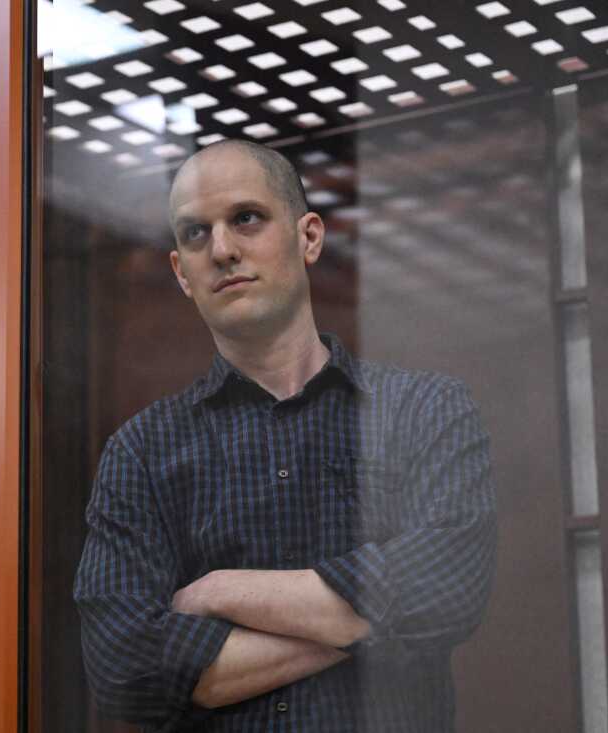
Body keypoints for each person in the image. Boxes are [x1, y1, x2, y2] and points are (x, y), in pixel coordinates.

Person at [73, 139, 496, 732]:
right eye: (196, 234)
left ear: (309, 237)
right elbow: (126, 673)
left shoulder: (423, 410)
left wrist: (221, 592)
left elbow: (450, 587)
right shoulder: (141, 454)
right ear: (181, 275)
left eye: (246, 218)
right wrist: (377, 625)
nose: (222, 249)